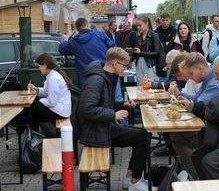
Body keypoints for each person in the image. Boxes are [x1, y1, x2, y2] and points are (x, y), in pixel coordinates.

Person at [74, 47, 150, 191]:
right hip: (94, 132)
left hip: (101, 127)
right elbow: (86, 109)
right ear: (114, 63)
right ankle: (134, 181)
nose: (126, 68)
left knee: (142, 134)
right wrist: (113, 115)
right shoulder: (96, 80)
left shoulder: (106, 76)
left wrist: (122, 104)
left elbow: (103, 104)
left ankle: (130, 178)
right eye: (124, 65)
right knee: (142, 137)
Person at [169, 53, 219, 179]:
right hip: (215, 127)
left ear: (200, 68)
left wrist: (188, 103)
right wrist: (181, 94)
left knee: (177, 137)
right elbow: (198, 98)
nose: (190, 78)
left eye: (191, 74)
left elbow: (200, 104)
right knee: (176, 135)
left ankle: (197, 179)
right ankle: (195, 175)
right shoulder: (207, 78)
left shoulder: (214, 81)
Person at [58, 17, 115, 86]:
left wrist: (67, 37)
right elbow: (114, 48)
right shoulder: (100, 35)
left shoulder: (74, 42)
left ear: (77, 29)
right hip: (104, 73)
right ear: (87, 25)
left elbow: (61, 49)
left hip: (86, 78)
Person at [27, 53, 73, 134]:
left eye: (39, 66)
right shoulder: (52, 75)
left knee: (32, 109)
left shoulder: (53, 79)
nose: (39, 68)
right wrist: (36, 89)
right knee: (33, 109)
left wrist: (41, 101)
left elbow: (52, 102)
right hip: (61, 109)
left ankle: (34, 136)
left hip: (60, 112)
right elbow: (46, 92)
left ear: (44, 65)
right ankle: (34, 135)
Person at [132, 15, 163, 85]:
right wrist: (132, 52)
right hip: (139, 64)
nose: (138, 27)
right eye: (137, 26)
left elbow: (157, 53)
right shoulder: (139, 37)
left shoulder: (154, 35)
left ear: (146, 23)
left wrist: (141, 53)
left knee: (151, 87)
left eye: (140, 25)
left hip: (150, 65)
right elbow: (138, 52)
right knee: (140, 87)